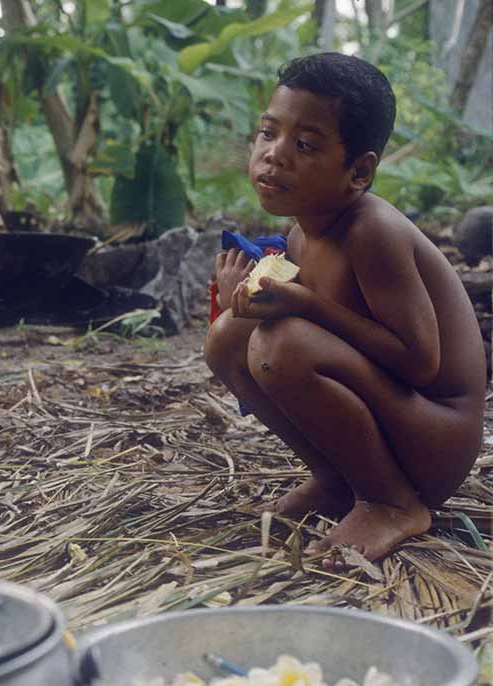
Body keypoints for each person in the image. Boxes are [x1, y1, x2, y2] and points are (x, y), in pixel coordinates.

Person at [205, 52, 485, 566]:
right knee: (228, 336)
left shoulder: (370, 231)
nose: (275, 155)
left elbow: (419, 362)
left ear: (359, 171)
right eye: (268, 133)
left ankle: (391, 502)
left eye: (305, 144)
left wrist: (299, 302)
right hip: (390, 426)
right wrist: (241, 302)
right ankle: (338, 481)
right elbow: (321, 336)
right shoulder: (301, 232)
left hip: (434, 438)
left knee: (280, 344)